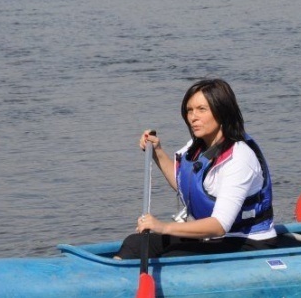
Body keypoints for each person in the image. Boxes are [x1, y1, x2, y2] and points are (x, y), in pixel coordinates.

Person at [115, 79, 277, 259]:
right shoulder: (196, 147)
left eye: (202, 109)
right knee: (134, 244)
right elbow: (184, 185)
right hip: (212, 239)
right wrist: (157, 152)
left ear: (222, 112)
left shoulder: (240, 157)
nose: (193, 117)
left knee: (174, 257)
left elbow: (219, 225)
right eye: (189, 110)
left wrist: (163, 227)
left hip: (247, 242)